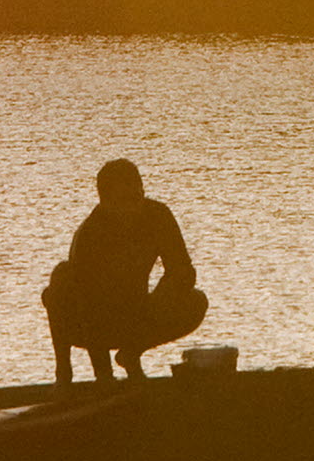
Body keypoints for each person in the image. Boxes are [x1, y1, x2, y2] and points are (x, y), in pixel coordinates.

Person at [43, 158, 206, 384]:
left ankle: (131, 354)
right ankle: (63, 373)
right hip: (89, 323)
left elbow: (182, 270)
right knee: (59, 279)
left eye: (137, 195)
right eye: (123, 200)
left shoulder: (158, 215)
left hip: (138, 312)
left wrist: (161, 297)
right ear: (105, 201)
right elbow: (88, 307)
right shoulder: (92, 233)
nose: (133, 206)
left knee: (196, 301)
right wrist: (104, 376)